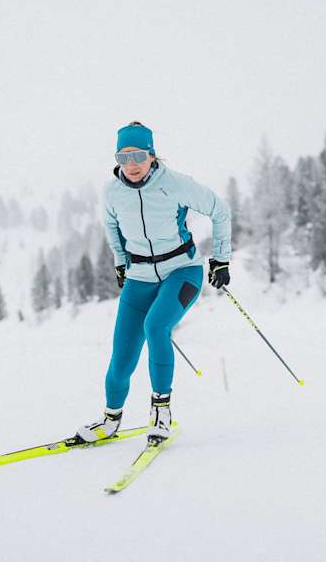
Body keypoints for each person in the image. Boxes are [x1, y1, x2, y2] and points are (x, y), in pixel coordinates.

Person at [77, 121, 231, 446]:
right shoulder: (111, 192)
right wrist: (121, 263)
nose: (131, 165)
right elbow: (111, 226)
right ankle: (110, 419)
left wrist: (221, 258)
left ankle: (161, 411)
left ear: (152, 154)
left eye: (138, 156)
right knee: (122, 355)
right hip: (140, 277)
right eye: (123, 156)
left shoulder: (175, 184)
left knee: (156, 327)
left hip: (182, 271)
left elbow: (220, 210)